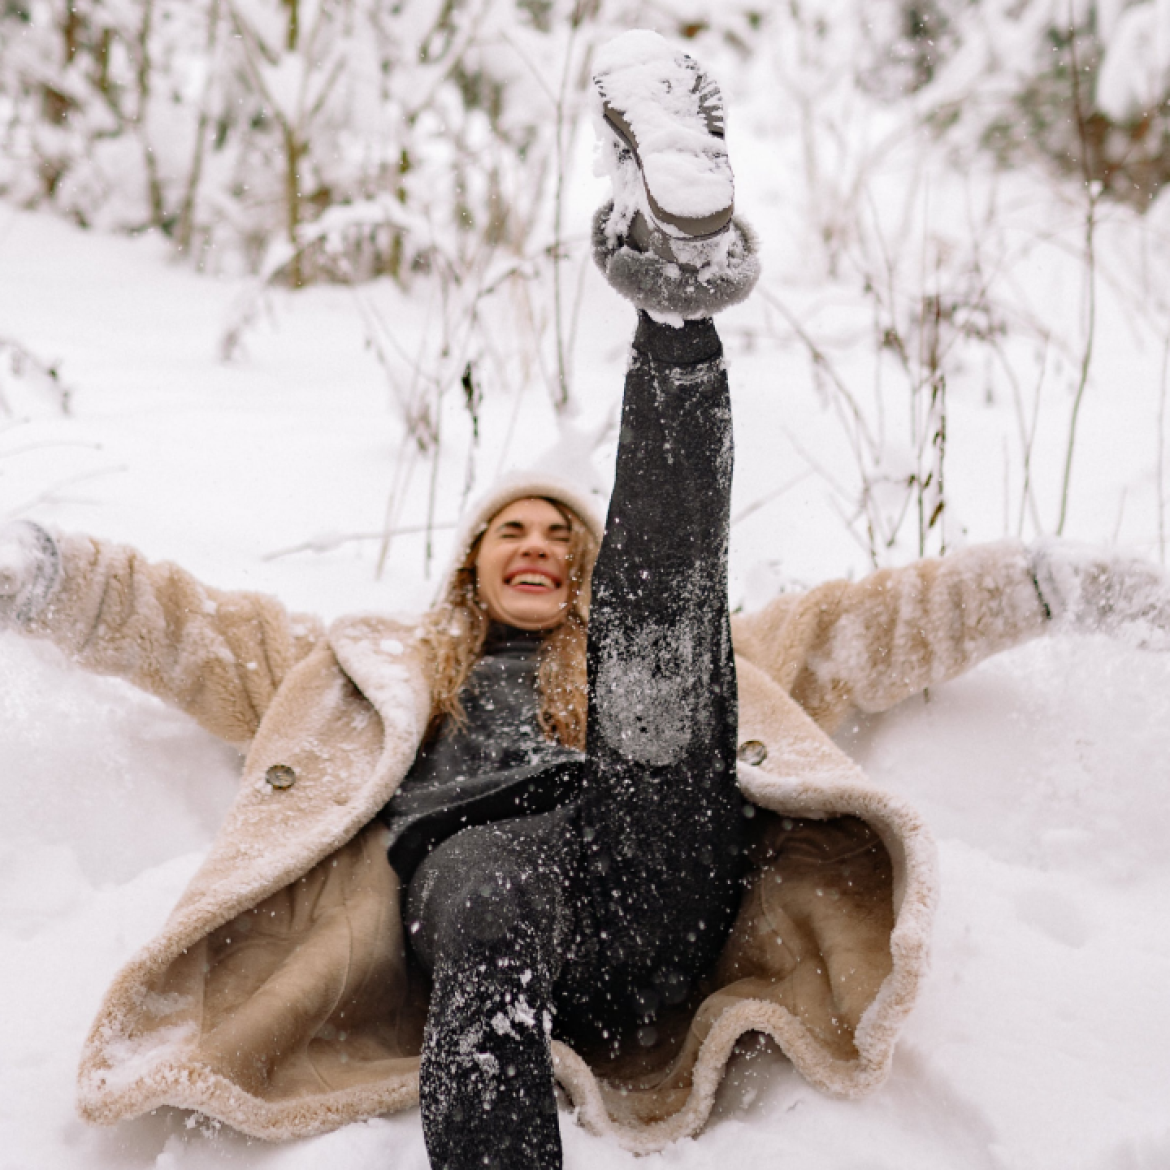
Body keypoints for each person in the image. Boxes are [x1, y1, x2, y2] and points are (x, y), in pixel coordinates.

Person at [2, 28, 1170, 1170]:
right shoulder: (364, 669)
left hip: (651, 867)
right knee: (488, 881)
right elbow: (173, 623)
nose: (537, 548)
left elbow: (879, 624)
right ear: (471, 566)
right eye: (510, 531)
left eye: (562, 536)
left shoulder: (650, 646)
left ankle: (680, 299)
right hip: (472, 905)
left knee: (660, 638)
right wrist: (37, 570)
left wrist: (1050, 586)